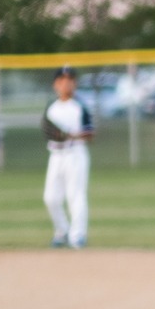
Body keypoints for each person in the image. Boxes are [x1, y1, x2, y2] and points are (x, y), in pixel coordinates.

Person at [41, 65, 93, 249]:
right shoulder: (51, 108)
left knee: (75, 196)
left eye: (70, 80)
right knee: (50, 198)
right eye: (62, 80)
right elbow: (47, 131)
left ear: (75, 83)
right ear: (56, 84)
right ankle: (62, 230)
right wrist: (58, 135)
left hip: (75, 154)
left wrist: (70, 135)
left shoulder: (80, 106)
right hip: (56, 155)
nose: (66, 84)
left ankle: (78, 235)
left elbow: (90, 134)